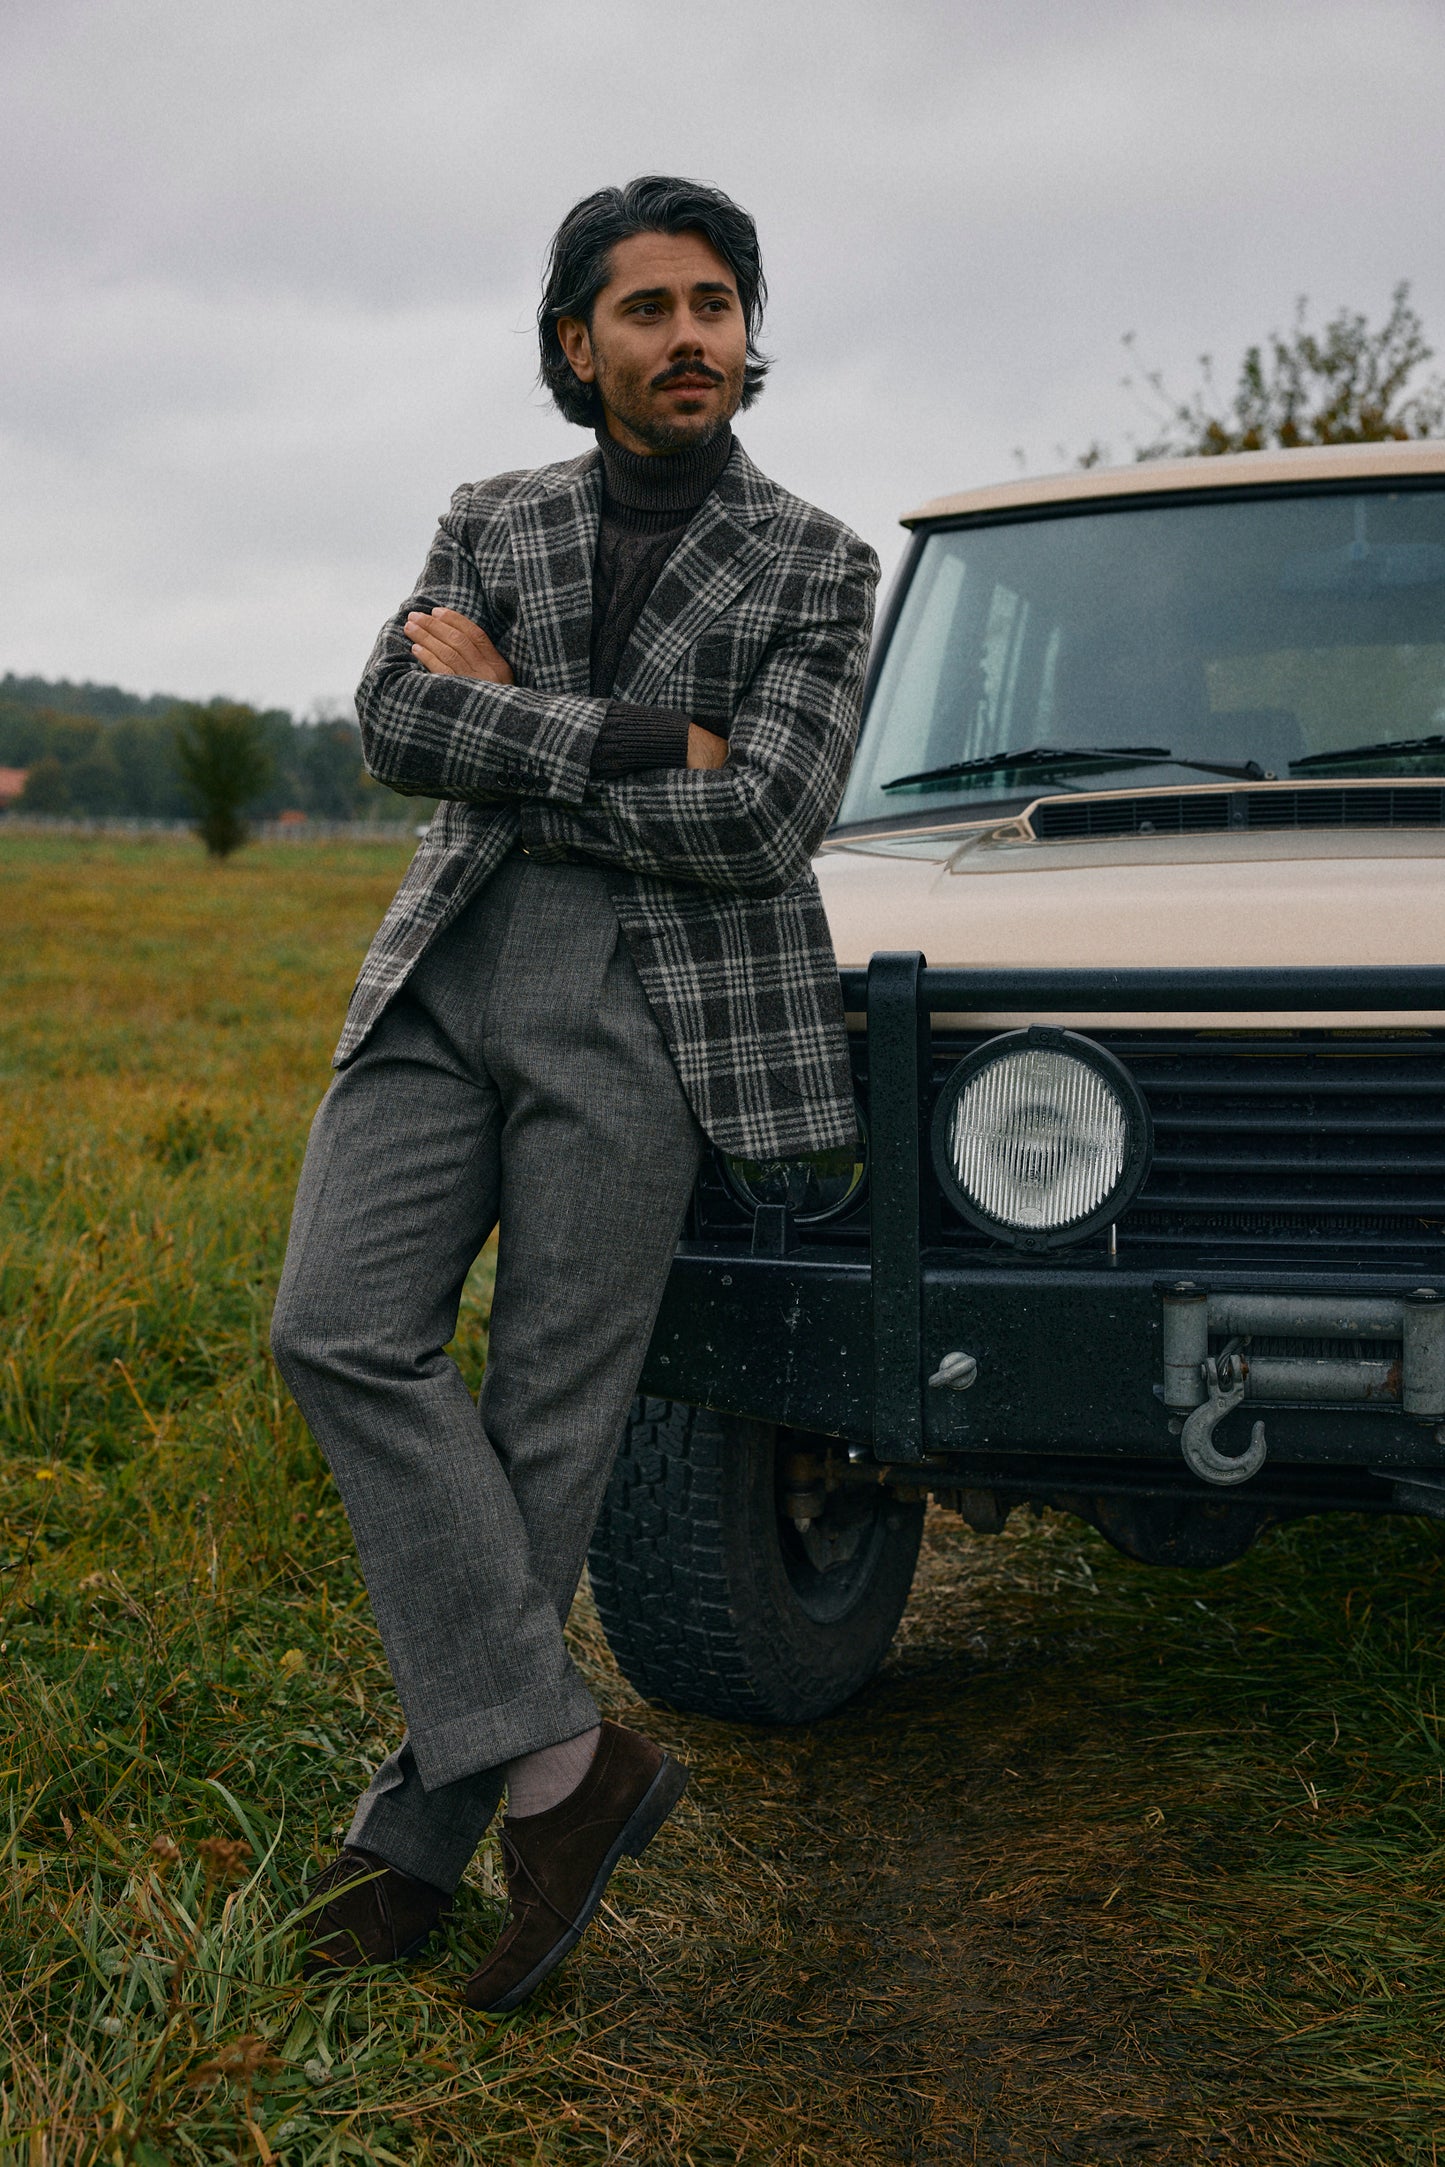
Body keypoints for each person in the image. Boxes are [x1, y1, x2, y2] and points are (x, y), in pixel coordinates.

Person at [270, 174, 878, 2014]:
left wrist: (520, 722)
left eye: (716, 304)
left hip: (652, 1003)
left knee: (553, 1420)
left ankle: (414, 1848)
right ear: (575, 343)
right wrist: (641, 735)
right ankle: (566, 1765)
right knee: (336, 1328)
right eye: (646, 309)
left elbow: (768, 815)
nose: (687, 336)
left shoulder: (820, 563)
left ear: (747, 333)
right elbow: (393, 722)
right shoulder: (491, 513)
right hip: (450, 966)